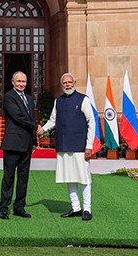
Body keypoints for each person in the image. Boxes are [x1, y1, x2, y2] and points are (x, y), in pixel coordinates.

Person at [37, 72, 96, 221]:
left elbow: (91, 122)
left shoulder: (83, 99)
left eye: (70, 82)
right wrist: (42, 129)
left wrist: (89, 145)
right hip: (63, 145)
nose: (67, 85)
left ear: (74, 83)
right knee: (69, 177)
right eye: (64, 83)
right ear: (61, 85)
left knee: (84, 178)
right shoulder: (59, 101)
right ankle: (76, 207)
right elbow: (53, 120)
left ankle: (87, 209)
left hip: (80, 146)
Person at [0, 70, 37, 219]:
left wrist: (34, 142)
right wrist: (35, 126)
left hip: (26, 144)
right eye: (18, 81)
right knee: (8, 177)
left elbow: (31, 117)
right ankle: (3, 207)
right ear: (13, 82)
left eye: (24, 81)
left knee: (23, 177)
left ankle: (19, 207)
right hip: (12, 143)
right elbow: (18, 116)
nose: (21, 84)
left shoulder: (29, 98)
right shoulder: (9, 97)